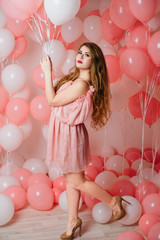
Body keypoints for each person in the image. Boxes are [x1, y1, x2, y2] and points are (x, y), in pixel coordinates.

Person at [40, 42, 130, 240]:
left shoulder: (81, 85)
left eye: (86, 54)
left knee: (76, 181)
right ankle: (72, 222)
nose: (80, 55)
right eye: (80, 52)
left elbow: (52, 101)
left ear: (94, 61)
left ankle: (113, 203)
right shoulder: (77, 81)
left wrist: (47, 72)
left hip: (70, 137)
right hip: (68, 135)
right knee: (71, 181)